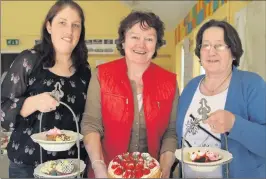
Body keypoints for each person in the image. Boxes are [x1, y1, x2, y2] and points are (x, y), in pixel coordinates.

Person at [81, 11, 179, 178]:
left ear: (156, 44)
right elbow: (91, 124)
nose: (141, 45)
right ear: (123, 40)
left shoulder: (169, 81)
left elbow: (171, 132)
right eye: (134, 37)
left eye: (149, 39)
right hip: (106, 171)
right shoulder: (101, 75)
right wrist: (99, 168)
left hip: (151, 172)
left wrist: (164, 170)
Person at [1, 0, 91, 177]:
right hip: (28, 167)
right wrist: (32, 102)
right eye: (62, 23)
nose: (69, 31)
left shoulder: (84, 70)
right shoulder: (29, 60)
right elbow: (2, 110)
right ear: (49, 26)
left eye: (76, 25)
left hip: (72, 166)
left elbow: (88, 117)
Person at [176, 19, 266, 178]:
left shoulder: (252, 84)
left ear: (233, 52)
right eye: (205, 45)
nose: (211, 52)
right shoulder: (191, 87)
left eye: (219, 45)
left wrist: (234, 124)